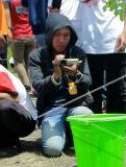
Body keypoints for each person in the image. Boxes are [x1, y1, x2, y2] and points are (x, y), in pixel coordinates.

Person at [29, 13, 93, 157]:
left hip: (76, 105)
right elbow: (37, 85)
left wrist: (75, 74)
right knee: (53, 150)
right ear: (49, 35)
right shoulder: (37, 56)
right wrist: (56, 74)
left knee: (84, 114)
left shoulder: (78, 52)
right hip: (51, 109)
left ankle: (69, 133)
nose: (62, 40)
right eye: (57, 35)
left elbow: (89, 81)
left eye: (66, 35)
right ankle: (64, 133)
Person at [8, 0, 35, 89]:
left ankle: (26, 85)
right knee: (29, 63)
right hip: (31, 35)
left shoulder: (12, 2)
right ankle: (33, 86)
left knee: (18, 62)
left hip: (18, 35)